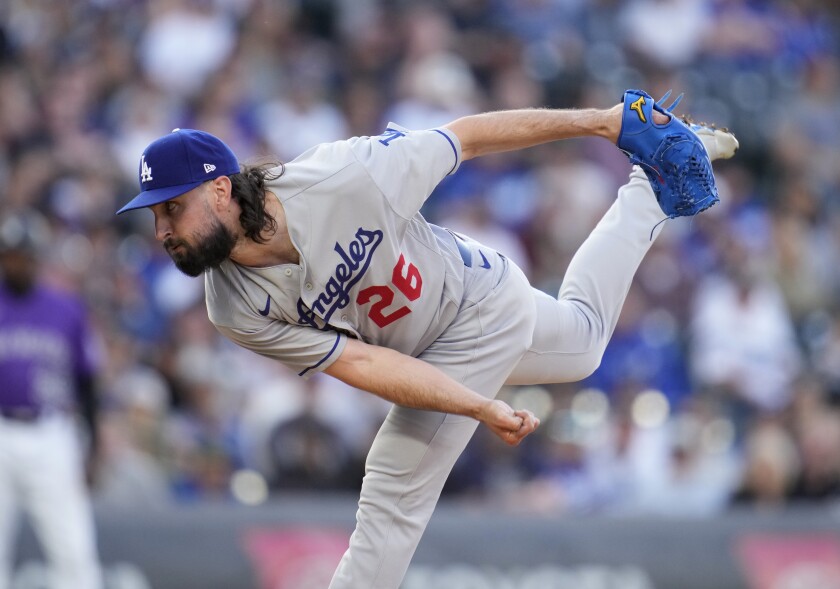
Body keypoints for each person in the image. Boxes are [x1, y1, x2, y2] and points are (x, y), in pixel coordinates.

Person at [116, 89, 737, 588]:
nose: (162, 228)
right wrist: (473, 403)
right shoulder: (231, 305)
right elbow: (359, 362)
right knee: (583, 342)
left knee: (391, 495)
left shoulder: (341, 176)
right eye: (155, 214)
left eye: (172, 207)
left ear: (221, 188)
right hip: (443, 335)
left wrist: (601, 121)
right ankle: (651, 191)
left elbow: (465, 137)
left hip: (476, 300)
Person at [0, 211, 103, 589]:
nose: (16, 262)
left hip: (50, 431)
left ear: (37, 257)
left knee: (73, 549)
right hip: (1, 428)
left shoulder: (65, 308)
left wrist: (93, 442)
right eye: (9, 254)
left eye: (23, 254)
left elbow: (87, 380)